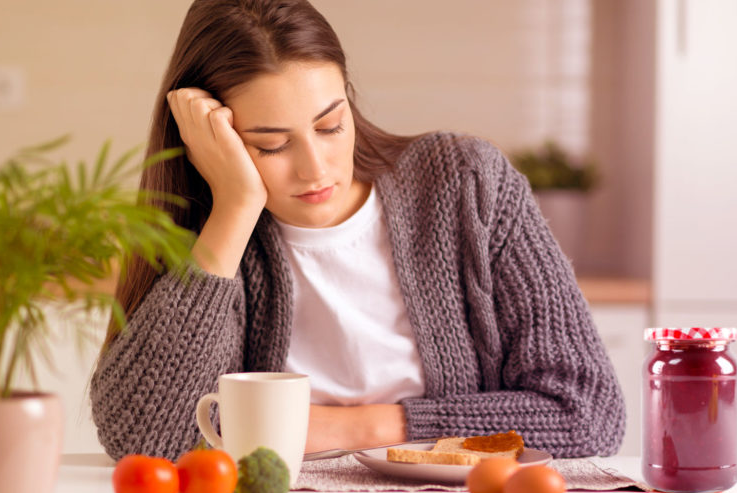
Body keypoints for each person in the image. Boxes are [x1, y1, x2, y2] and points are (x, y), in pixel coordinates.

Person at [90, 0, 625, 462]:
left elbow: (586, 414)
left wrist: (349, 428)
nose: (316, 169)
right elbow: (146, 440)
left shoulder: (466, 184)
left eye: (330, 125)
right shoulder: (206, 234)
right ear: (213, 143)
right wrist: (234, 208)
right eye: (271, 145)